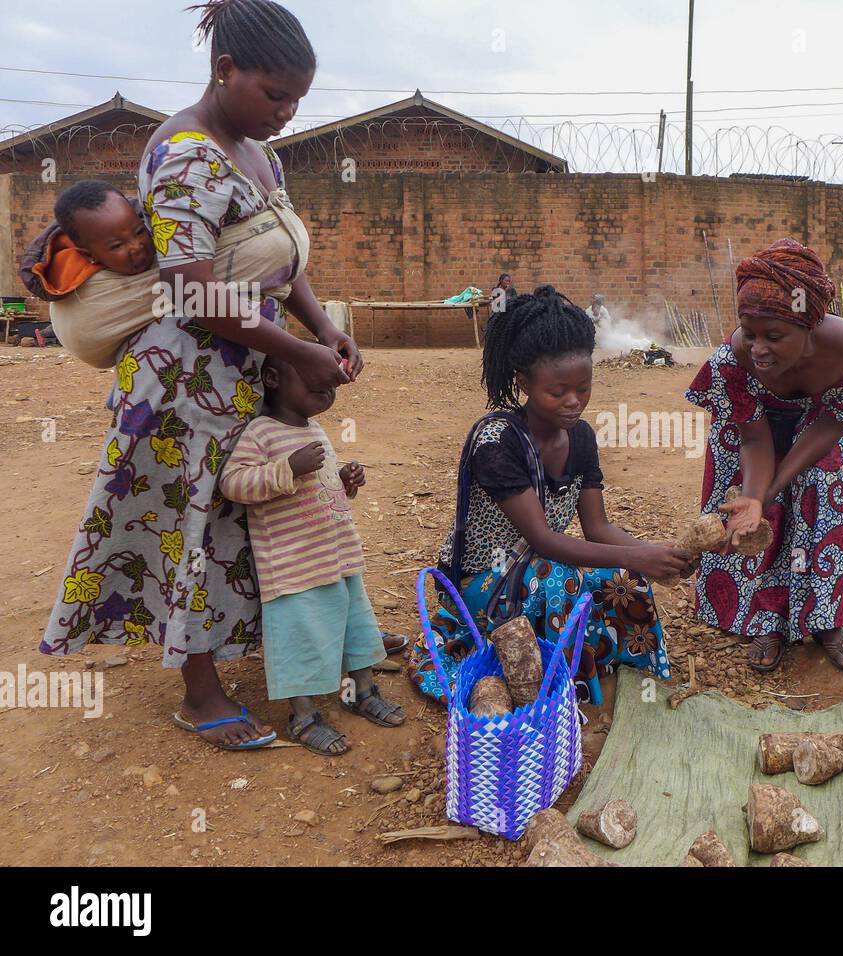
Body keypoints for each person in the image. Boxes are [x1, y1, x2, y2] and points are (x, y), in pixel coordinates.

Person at [38, 0, 363, 751]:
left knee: (253, 510)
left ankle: (266, 647)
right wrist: (295, 350)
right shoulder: (187, 152)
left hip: (242, 358)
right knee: (197, 520)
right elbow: (190, 289)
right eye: (275, 95)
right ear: (225, 71)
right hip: (186, 377)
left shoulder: (258, 152)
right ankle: (200, 690)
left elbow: (278, 252)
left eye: (297, 100)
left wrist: (320, 328)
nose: (285, 113)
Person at [408, 285, 687, 706]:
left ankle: (615, 663)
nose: (574, 402)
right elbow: (542, 540)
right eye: (557, 392)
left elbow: (598, 528)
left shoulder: (581, 438)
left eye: (584, 388)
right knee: (562, 579)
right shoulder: (497, 442)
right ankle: (566, 693)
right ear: (523, 383)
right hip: (482, 578)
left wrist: (658, 553)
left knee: (622, 578)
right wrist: (636, 555)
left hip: (537, 564)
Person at [686, 238, 843, 673]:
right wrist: (754, 497)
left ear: (810, 327)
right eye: (751, 334)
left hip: (818, 421)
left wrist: (773, 489)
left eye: (775, 336)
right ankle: (763, 616)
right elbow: (754, 440)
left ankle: (822, 618)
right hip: (751, 428)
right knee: (746, 503)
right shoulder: (735, 359)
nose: (759, 348)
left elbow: (827, 427)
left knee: (816, 484)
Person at [219, 355, 404, 755]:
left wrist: (345, 483)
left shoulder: (316, 429)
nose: (326, 396)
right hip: (292, 567)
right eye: (316, 387)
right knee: (300, 642)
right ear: (272, 378)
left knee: (355, 631)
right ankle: (303, 717)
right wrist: (286, 467)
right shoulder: (260, 434)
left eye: (331, 389)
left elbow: (321, 489)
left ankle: (362, 692)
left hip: (337, 557)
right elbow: (234, 484)